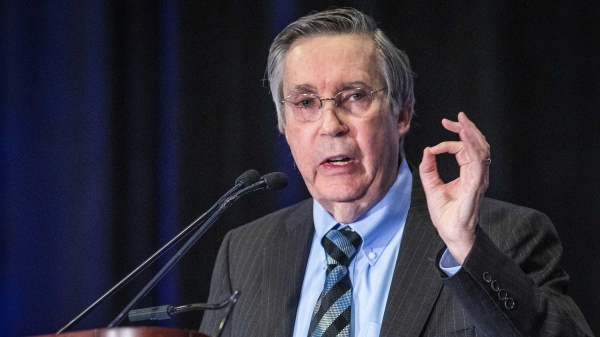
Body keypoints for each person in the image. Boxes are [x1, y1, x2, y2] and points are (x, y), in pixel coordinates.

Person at [200, 8, 593, 337]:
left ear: (402, 112)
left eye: (354, 96)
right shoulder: (244, 253)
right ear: (283, 123)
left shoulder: (504, 237)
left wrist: (466, 248)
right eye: (305, 102)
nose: (330, 125)